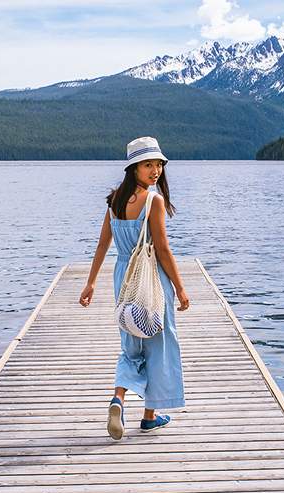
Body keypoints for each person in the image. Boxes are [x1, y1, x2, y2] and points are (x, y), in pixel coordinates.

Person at [79, 136, 190, 441]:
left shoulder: (114, 200)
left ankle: (118, 399)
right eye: (147, 165)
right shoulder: (154, 201)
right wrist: (180, 288)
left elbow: (104, 243)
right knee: (158, 342)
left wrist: (90, 282)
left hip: (123, 279)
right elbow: (163, 250)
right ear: (133, 169)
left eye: (158, 164)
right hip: (151, 277)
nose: (155, 171)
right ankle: (149, 417)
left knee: (130, 344)